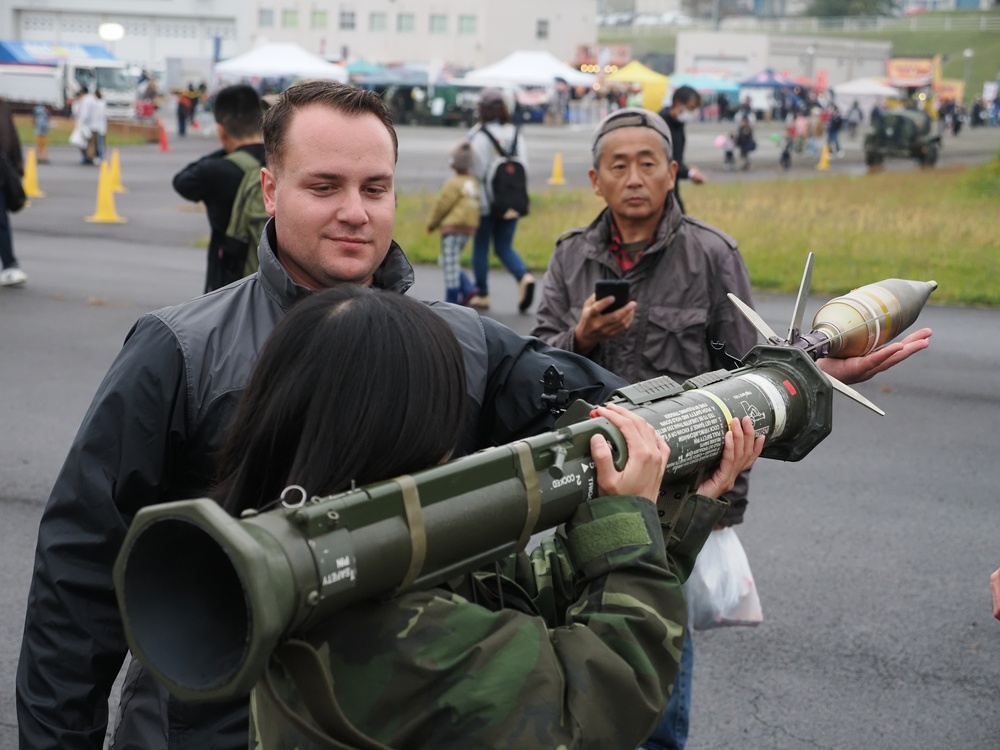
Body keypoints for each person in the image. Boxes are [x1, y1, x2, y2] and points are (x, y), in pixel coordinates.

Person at [15, 79, 626, 750]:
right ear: (271, 191)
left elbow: (603, 415)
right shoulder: (181, 352)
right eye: (324, 186)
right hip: (208, 729)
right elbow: (79, 575)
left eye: (374, 188)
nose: (355, 213)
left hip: (405, 720)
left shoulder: (465, 343)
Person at [531, 107, 933, 750]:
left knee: (656, 658)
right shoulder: (570, 257)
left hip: (680, 500)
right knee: (568, 640)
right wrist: (580, 336)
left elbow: (753, 374)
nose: (634, 177)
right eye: (618, 165)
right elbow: (534, 368)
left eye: (648, 162)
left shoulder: (712, 254)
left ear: (671, 173)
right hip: (586, 485)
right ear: (595, 180)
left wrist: (721, 507)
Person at [213, 283, 761, 749]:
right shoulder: (409, 644)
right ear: (399, 429)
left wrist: (671, 510)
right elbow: (602, 699)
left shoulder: (324, 557)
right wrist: (628, 521)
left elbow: (515, 593)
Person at [172, 84, 266, 292]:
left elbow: (181, 181)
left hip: (230, 284)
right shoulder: (281, 161)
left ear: (222, 131)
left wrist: (227, 149)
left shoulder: (215, 170)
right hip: (278, 279)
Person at [466, 87, 535, 313]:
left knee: (482, 245)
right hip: (512, 200)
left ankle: (483, 293)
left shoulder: (481, 136)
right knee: (504, 245)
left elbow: (475, 170)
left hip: (487, 203)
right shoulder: (515, 133)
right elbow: (524, 164)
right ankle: (523, 276)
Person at [425, 138, 479, 304]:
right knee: (449, 260)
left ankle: (451, 299)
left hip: (453, 228)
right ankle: (467, 287)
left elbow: (442, 205)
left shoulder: (452, 183)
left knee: (449, 265)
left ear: (453, 163)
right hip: (468, 229)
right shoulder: (473, 182)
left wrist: (431, 224)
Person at [658, 85, 706, 214]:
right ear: (678, 103)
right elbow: (663, 162)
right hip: (658, 191)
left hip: (672, 188)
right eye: (690, 108)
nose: (691, 113)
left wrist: (686, 168)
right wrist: (689, 174)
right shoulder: (660, 125)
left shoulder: (678, 125)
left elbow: (676, 159)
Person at [0, 94, 27, 287]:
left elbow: (12, 137)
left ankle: (10, 264)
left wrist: (18, 166)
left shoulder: (2, 106)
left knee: (1, 222)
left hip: (1, 175)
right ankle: (9, 264)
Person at [92, 88, 108, 163]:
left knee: (99, 143)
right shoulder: (102, 103)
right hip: (102, 126)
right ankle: (102, 156)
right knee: (101, 142)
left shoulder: (97, 104)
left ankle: (100, 157)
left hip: (97, 126)